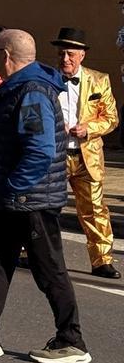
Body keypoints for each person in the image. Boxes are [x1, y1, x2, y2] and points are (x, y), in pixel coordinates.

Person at [0, 29, 89, 363]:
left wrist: (14, 187)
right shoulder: (18, 88)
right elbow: (13, 137)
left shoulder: (31, 91)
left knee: (49, 269)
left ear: (6, 54)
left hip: (29, 201)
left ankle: (72, 340)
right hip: (15, 200)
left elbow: (40, 150)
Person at [51, 27, 120, 279]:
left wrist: (88, 128)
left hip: (86, 156)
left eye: (70, 54)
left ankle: (102, 260)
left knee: (95, 209)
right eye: (61, 53)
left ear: (82, 55)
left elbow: (111, 118)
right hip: (54, 155)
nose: (65, 59)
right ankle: (30, 252)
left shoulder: (99, 80)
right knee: (44, 207)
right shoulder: (48, 79)